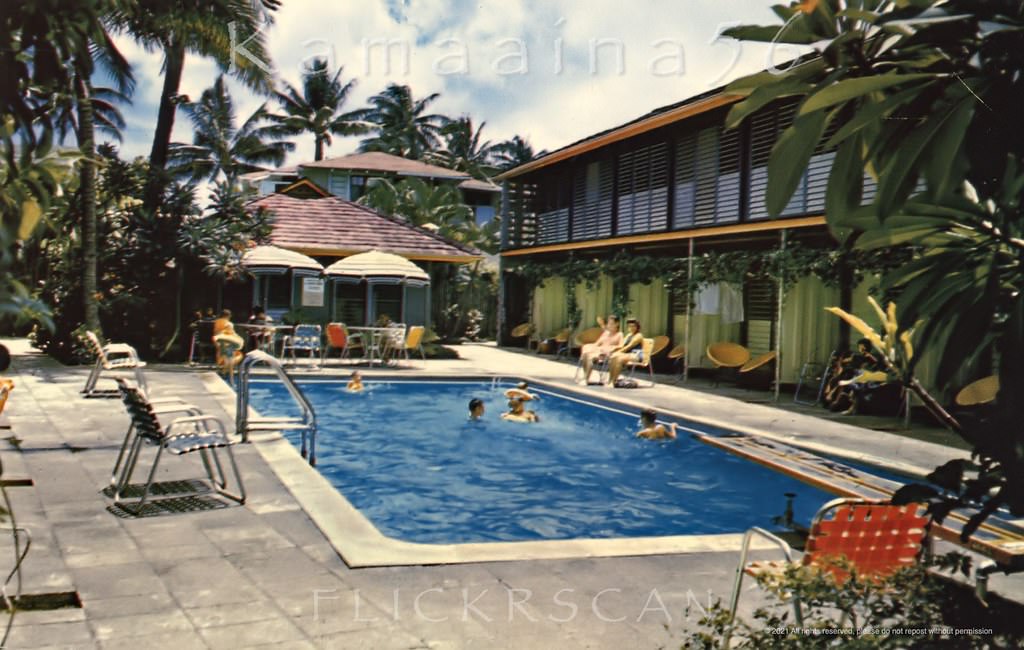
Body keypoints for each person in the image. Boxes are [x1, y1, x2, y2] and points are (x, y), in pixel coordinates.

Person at [578, 315, 623, 385]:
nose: (609, 325)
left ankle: (586, 379)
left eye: (611, 324)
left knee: (590, 357)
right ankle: (585, 377)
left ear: (617, 324)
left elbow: (621, 346)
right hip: (599, 351)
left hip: (607, 354)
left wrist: (613, 348)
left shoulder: (619, 334)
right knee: (586, 353)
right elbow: (597, 343)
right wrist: (589, 347)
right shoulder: (606, 333)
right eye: (608, 323)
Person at [605, 319, 644, 387]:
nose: (631, 328)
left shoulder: (639, 335)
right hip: (627, 354)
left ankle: (614, 381)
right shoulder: (629, 335)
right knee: (613, 357)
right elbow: (622, 345)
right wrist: (614, 351)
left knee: (619, 358)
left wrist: (619, 352)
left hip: (636, 355)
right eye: (630, 326)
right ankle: (610, 380)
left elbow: (629, 346)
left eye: (633, 326)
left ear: (637, 327)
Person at [211, 309, 244, 376]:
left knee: (225, 355)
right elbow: (232, 333)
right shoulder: (229, 324)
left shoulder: (216, 322)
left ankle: (223, 369)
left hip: (218, 342)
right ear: (229, 316)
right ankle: (225, 370)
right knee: (239, 355)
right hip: (227, 342)